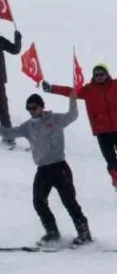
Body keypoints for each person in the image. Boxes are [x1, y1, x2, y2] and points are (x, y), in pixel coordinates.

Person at [0, 93, 92, 246]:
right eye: (28, 108)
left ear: (41, 107)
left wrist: (72, 99)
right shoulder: (28, 126)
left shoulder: (54, 119)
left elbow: (73, 115)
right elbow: (8, 133)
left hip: (59, 166)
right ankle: (52, 233)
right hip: (42, 169)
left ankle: (84, 233)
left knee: (69, 201)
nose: (31, 111)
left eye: (34, 107)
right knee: (38, 201)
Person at [43, 63, 117, 191]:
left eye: (101, 74)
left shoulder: (115, 85)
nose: (99, 76)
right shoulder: (89, 90)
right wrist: (51, 88)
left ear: (107, 74)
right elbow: (70, 92)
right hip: (102, 131)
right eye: (96, 74)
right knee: (110, 159)